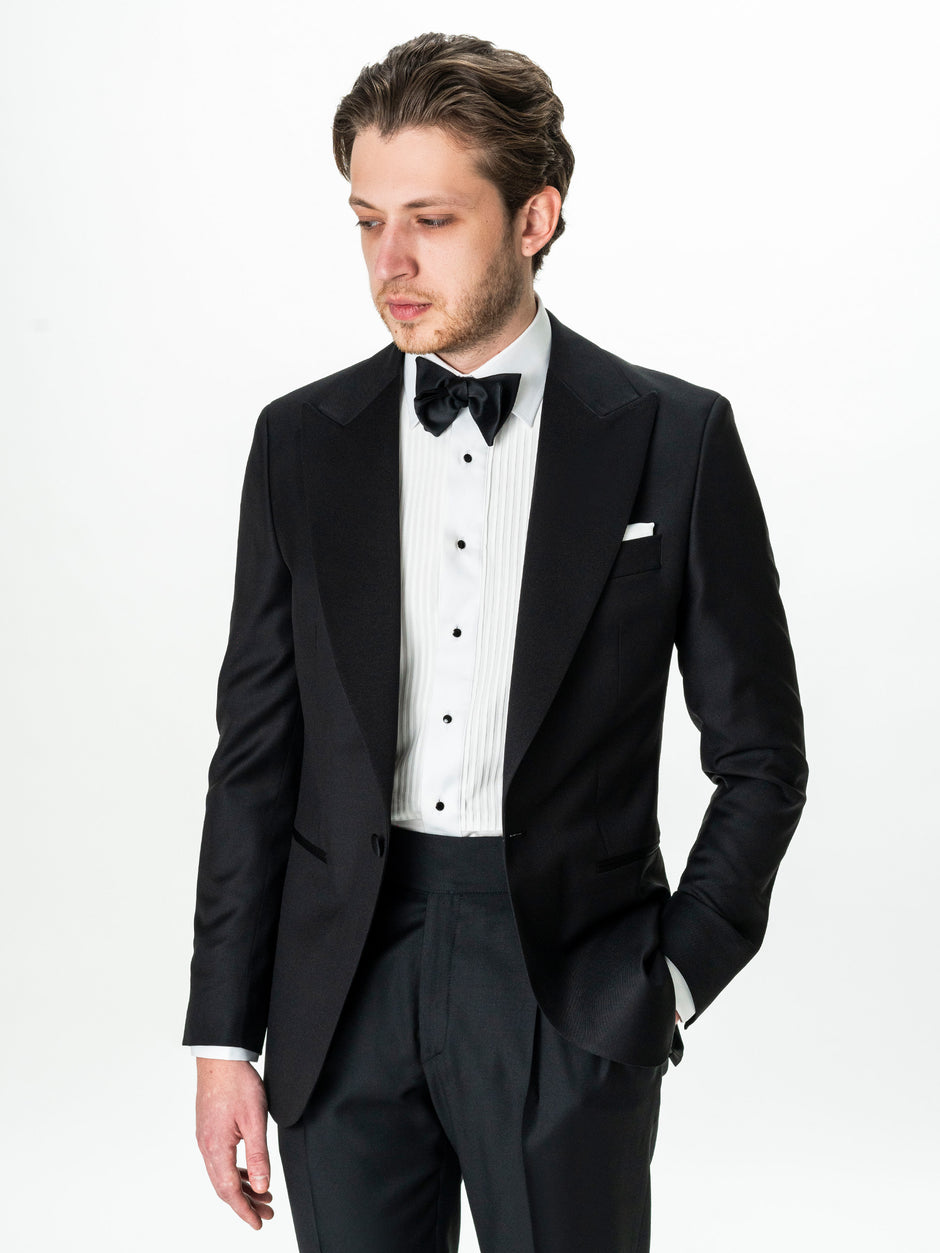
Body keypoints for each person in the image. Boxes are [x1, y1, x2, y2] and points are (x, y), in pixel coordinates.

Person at [183, 32, 807, 1253]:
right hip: (338, 985)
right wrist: (221, 1036)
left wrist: (668, 981)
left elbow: (760, 758)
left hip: (566, 984)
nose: (391, 263)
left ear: (534, 217)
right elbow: (253, 756)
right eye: (368, 222)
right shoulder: (301, 443)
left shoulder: (671, 437)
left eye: (431, 220)